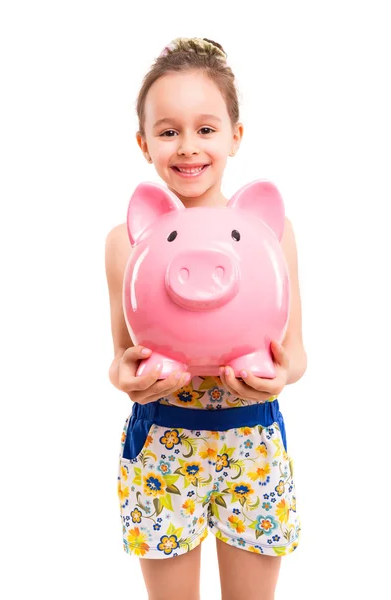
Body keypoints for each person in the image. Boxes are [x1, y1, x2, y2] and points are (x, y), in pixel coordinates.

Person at [105, 37, 307, 600]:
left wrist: (281, 373)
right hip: (164, 447)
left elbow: (298, 354)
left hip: (252, 444)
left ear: (235, 137)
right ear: (144, 145)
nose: (187, 146)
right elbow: (122, 359)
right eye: (168, 131)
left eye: (206, 129)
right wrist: (130, 380)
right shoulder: (126, 242)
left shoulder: (273, 233)